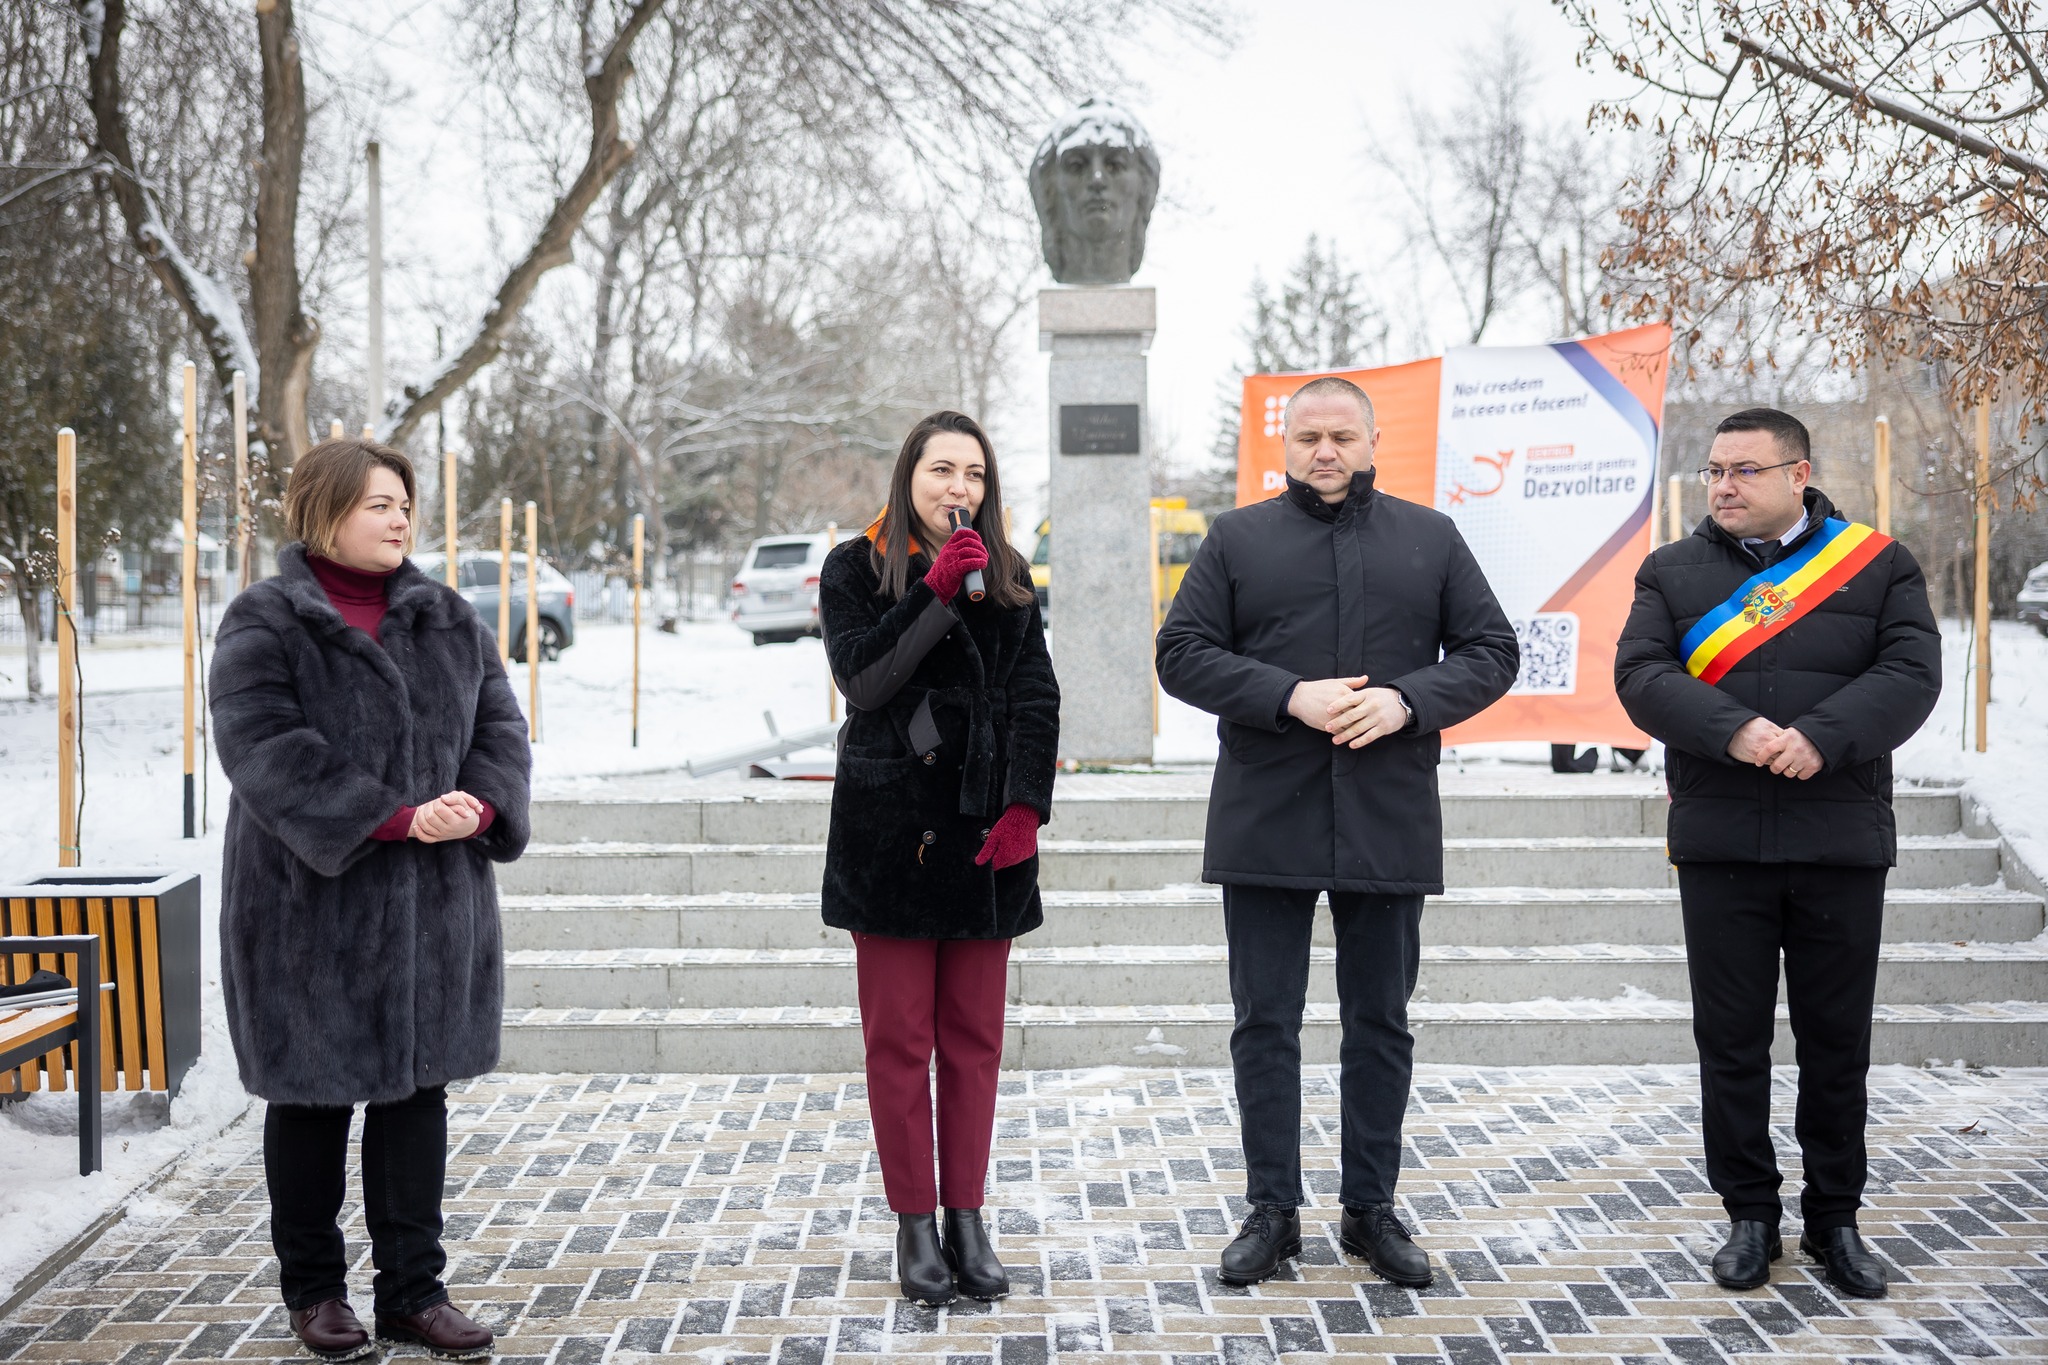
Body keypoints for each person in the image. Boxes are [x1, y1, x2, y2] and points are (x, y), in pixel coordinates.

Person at [1156, 376, 1518, 1288]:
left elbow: (1492, 651)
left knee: (1380, 1021)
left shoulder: (1431, 537)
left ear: (1372, 441)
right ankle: (1272, 1210)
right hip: (1265, 814)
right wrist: (1287, 694)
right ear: (1285, 444)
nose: (1325, 451)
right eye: (1309, 436)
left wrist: (1407, 701)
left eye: (1342, 436)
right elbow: (1181, 652)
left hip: (1386, 812)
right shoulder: (1238, 538)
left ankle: (1370, 1209)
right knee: (1264, 1022)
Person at [210, 438, 531, 1362]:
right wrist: (391, 818)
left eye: (403, 504)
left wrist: (482, 804)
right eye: (378, 504)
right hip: (307, 912)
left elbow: (501, 726)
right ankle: (315, 1290)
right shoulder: (265, 620)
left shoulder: (449, 618)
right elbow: (262, 744)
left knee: (416, 1098)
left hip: (433, 908)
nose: (399, 519)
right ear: (325, 511)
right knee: (311, 1101)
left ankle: (414, 1293)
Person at [1615, 407, 1939, 1298]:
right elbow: (1641, 675)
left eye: (1745, 470)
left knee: (1836, 1043)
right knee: (1732, 1040)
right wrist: (1736, 729)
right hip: (1722, 840)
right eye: (1716, 470)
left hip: (1840, 838)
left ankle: (1836, 1218)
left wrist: (1822, 736)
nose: (1723, 485)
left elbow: (1911, 675)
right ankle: (1750, 1214)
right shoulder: (1670, 571)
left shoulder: (1878, 564)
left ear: (1799, 474)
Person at [818, 410, 1060, 1307]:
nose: (959, 488)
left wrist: (1028, 804)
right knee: (898, 1042)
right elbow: (864, 680)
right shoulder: (855, 567)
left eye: (974, 473)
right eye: (942, 469)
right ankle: (914, 1221)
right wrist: (935, 592)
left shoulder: (1010, 573)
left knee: (974, 1042)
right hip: (891, 836)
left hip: (986, 837)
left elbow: (1036, 694)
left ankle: (967, 1214)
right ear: (908, 475)